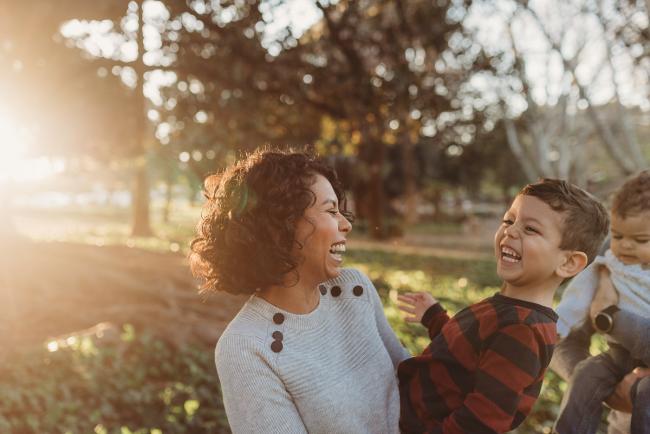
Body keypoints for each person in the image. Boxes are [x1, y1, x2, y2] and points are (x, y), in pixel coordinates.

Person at [189, 148, 409, 434]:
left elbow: (412, 378)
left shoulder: (354, 289)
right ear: (282, 226)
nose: (346, 224)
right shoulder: (245, 347)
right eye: (331, 211)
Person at [397, 178, 609, 433]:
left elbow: (482, 421)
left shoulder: (523, 329)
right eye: (509, 220)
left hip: (411, 424)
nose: (510, 230)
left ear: (568, 263)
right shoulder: (510, 311)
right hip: (406, 407)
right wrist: (435, 318)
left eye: (530, 229)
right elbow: (465, 356)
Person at [553, 171, 650, 434]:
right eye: (619, 236)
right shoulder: (608, 261)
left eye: (640, 241)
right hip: (618, 358)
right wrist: (557, 326)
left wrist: (610, 317)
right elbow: (575, 305)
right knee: (587, 373)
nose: (626, 246)